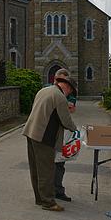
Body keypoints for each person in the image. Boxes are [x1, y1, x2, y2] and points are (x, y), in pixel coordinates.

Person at [23, 75, 78, 211]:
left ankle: (40, 198)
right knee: (47, 170)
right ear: (67, 87)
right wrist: (75, 130)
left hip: (31, 132)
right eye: (70, 91)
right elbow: (65, 120)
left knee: (36, 168)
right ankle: (48, 202)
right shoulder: (59, 96)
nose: (69, 94)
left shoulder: (44, 90)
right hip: (44, 136)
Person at [51, 68, 77, 202]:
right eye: (58, 80)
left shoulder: (69, 94)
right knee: (51, 163)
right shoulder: (49, 90)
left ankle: (57, 190)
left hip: (61, 132)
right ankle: (51, 192)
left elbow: (71, 107)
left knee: (59, 163)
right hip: (50, 133)